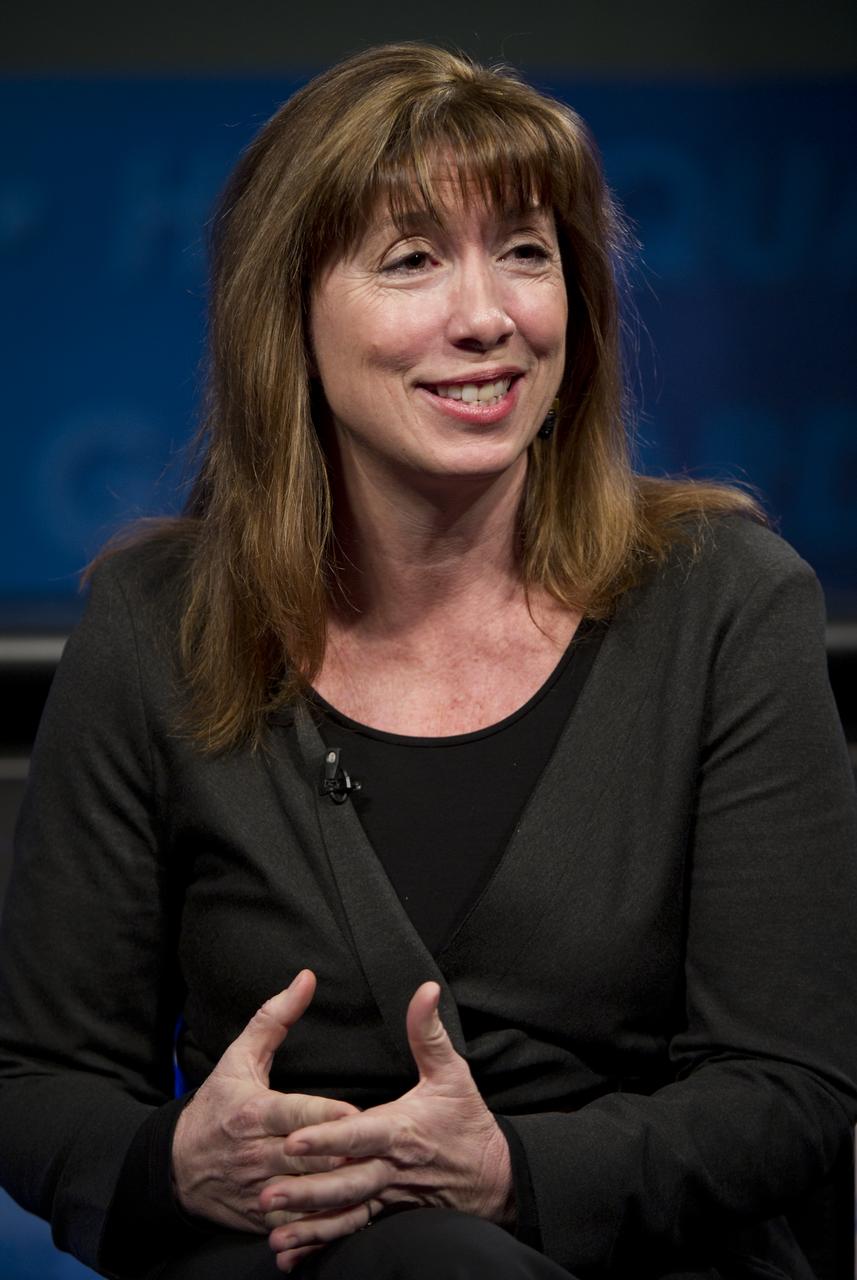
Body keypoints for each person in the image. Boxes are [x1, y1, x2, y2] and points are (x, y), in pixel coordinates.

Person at [0, 41, 855, 1280]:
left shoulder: (724, 605)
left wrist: (508, 1175)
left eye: (525, 252)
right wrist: (178, 1159)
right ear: (287, 314)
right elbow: (38, 1080)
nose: (486, 315)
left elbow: (786, 1086)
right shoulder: (157, 624)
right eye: (411, 260)